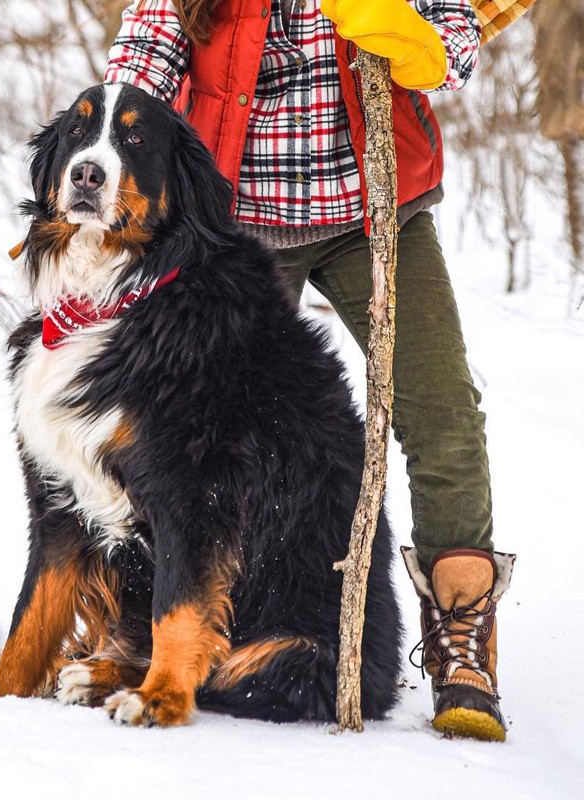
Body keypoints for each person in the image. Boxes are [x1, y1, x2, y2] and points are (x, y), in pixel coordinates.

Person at [103, 0, 517, 741]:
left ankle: (461, 642)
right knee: (188, 436)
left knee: (442, 407)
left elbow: (456, 45)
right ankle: (150, 626)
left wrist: (408, 34)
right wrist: (108, 152)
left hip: (377, 215)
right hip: (235, 224)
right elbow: (143, 56)